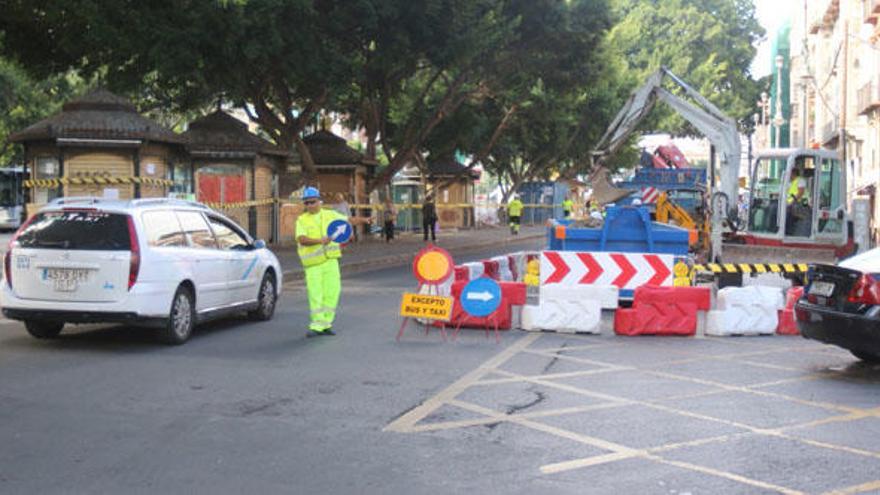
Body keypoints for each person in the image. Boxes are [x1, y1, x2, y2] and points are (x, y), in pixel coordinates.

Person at [296, 186, 371, 337]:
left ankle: (326, 324)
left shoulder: (330, 215)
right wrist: (319, 240)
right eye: (307, 203)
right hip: (313, 264)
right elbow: (301, 239)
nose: (310, 205)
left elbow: (348, 220)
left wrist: (364, 220)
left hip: (331, 261)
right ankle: (316, 325)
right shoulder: (302, 220)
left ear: (319, 202)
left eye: (313, 202)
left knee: (332, 292)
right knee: (316, 294)